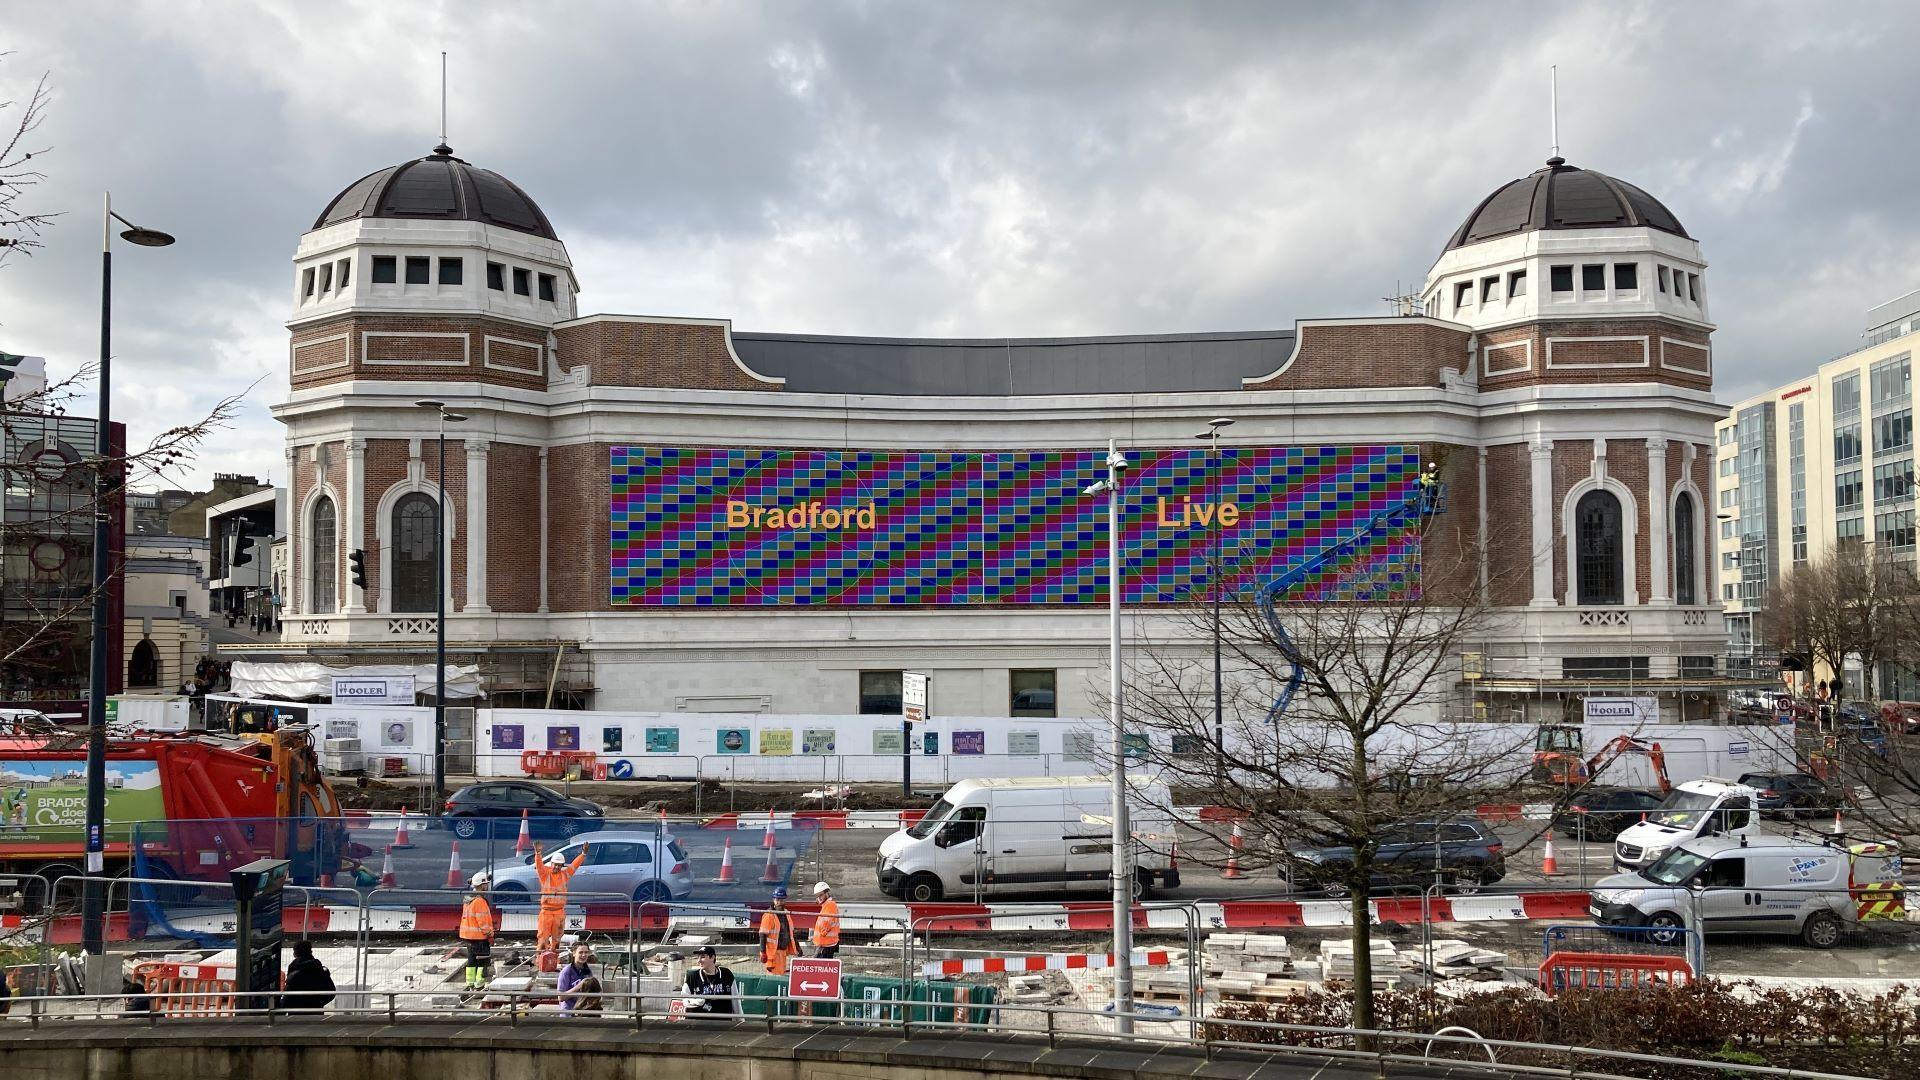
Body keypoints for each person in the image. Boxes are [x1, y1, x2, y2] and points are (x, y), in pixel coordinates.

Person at [533, 841, 589, 961]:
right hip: (546, 912)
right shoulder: (545, 874)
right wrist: (538, 854)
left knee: (557, 939)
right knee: (543, 938)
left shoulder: (564, 874)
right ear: (551, 863)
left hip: (559, 912)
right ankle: (541, 960)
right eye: (555, 864)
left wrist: (583, 854)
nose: (557, 867)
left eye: (560, 865)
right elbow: (539, 866)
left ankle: (554, 960)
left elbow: (574, 865)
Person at [459, 871, 496, 991]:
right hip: (479, 938)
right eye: (486, 884)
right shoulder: (480, 901)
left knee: (471, 961)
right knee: (483, 962)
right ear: (482, 885)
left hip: (468, 937)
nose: (487, 886)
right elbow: (483, 922)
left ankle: (470, 983)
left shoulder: (468, 899)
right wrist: (490, 935)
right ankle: (479, 985)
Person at [278, 939, 335, 1012]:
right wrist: (319, 1003)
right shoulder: (320, 970)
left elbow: (288, 994)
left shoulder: (295, 972)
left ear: (296, 953)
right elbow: (330, 991)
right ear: (310, 952)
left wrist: (281, 1008)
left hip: (296, 1012)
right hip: (316, 1010)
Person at [684, 945, 736, 1014]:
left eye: (702, 957)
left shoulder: (726, 974)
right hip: (698, 1021)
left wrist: (741, 1020)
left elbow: (736, 1001)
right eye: (698, 957)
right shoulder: (692, 976)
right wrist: (697, 1002)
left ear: (712, 957)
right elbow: (684, 999)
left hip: (722, 1021)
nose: (698, 961)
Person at [759, 887, 798, 975]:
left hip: (782, 952)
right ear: (774, 900)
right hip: (773, 954)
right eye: (777, 900)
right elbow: (762, 935)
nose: (779, 902)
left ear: (785, 900)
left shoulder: (786, 914)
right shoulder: (769, 915)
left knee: (781, 975)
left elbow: (791, 933)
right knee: (774, 978)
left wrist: (798, 947)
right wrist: (763, 952)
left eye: (781, 900)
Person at [556, 943, 595, 1013]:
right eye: (580, 952)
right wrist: (579, 986)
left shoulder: (588, 971)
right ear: (574, 953)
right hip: (569, 1012)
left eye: (586, 952)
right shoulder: (566, 971)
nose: (584, 955)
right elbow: (561, 997)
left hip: (583, 1011)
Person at [809, 881, 840, 959]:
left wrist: (821, 935)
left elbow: (826, 924)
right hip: (825, 944)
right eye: (817, 896)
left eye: (820, 895)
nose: (819, 898)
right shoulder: (827, 905)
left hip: (825, 944)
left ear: (826, 893)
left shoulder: (829, 905)